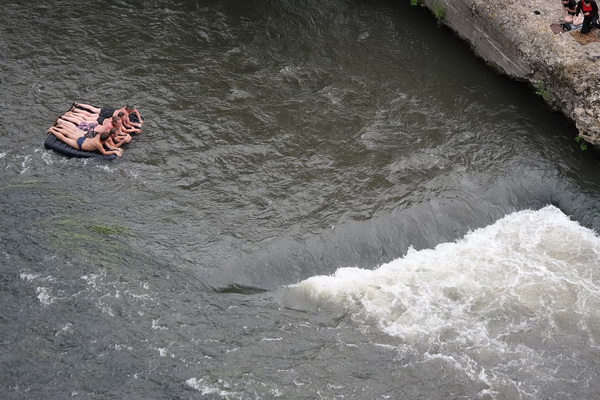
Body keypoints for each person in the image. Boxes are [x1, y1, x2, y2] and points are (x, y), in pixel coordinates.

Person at [47, 127, 123, 157]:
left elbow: (109, 146)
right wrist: (114, 152)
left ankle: (54, 128)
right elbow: (104, 153)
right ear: (106, 139)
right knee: (64, 139)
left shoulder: (99, 136)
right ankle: (52, 130)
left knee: (68, 134)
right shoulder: (98, 144)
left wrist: (116, 149)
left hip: (83, 139)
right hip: (80, 144)